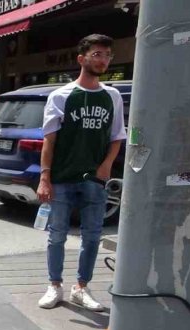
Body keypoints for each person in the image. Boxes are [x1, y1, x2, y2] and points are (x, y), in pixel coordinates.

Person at [36, 34, 126, 312]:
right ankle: (55, 285)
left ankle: (81, 287)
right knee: (57, 234)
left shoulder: (112, 96)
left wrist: (107, 164)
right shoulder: (61, 96)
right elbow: (49, 140)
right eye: (97, 54)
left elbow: (117, 136)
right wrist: (44, 177)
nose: (103, 60)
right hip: (62, 177)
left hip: (94, 180)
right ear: (81, 58)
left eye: (107, 55)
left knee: (92, 236)